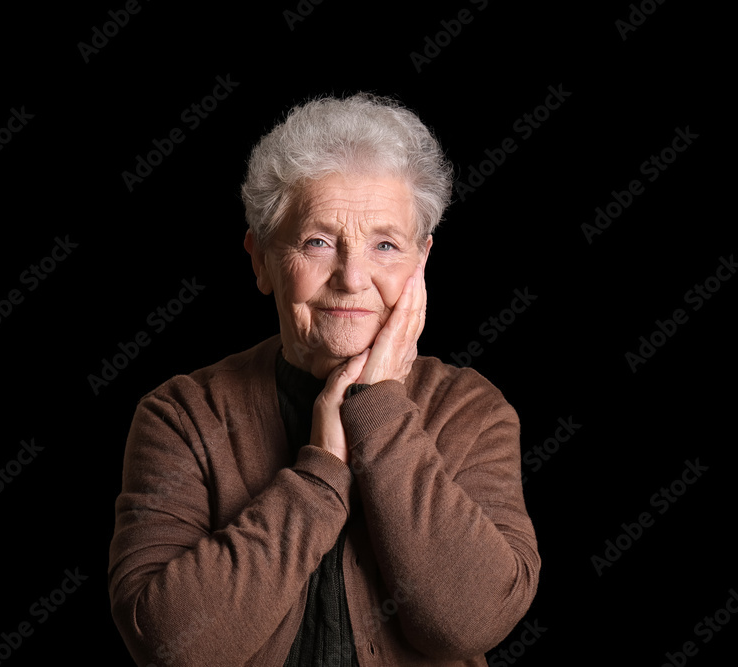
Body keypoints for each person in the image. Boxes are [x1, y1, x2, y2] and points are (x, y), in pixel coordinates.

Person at [108, 93, 540, 666]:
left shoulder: (470, 408)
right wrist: (321, 473)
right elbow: (170, 645)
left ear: (422, 262)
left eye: (385, 245)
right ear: (261, 258)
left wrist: (378, 410)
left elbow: (471, 623)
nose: (352, 276)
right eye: (317, 242)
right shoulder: (183, 413)